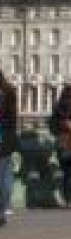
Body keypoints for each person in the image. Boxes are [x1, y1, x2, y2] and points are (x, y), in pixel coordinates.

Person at [0, 67, 20, 228]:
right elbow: (13, 119)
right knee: (6, 175)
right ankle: (5, 206)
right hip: (8, 138)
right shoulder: (10, 92)